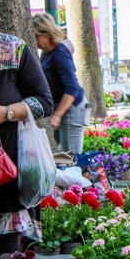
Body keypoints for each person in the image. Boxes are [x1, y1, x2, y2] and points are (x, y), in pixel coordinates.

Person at [0, 6, 53, 258]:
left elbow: (44, 102)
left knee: (6, 255)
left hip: (8, 167)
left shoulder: (14, 49)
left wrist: (5, 112)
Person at [32, 13, 90, 156]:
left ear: (45, 34)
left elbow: (72, 89)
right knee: (59, 156)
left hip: (72, 109)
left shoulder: (60, 53)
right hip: (62, 108)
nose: (34, 40)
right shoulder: (46, 53)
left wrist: (57, 116)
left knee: (70, 158)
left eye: (36, 36)